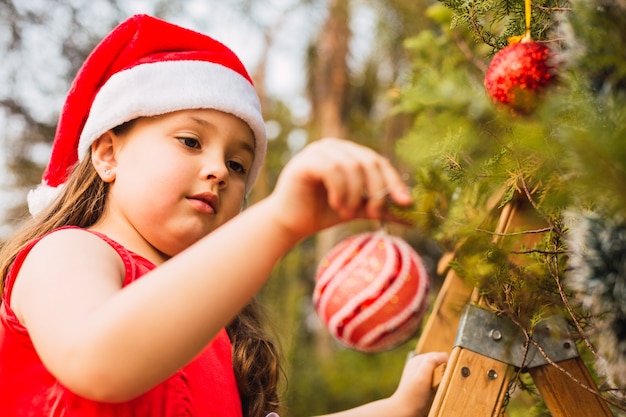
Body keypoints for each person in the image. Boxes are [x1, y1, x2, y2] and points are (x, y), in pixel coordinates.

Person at [0, 14, 447, 417]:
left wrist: (399, 406)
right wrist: (281, 219)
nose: (219, 172)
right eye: (191, 141)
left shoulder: (216, 336)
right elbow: (94, 359)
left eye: (238, 165)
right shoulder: (66, 252)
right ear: (108, 153)